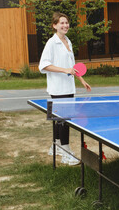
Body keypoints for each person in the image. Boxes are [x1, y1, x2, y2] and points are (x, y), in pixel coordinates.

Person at [39, 12, 91, 166]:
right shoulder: (51, 43)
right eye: (61, 23)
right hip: (57, 89)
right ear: (54, 25)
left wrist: (81, 79)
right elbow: (43, 65)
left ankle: (55, 146)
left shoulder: (68, 41)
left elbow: (73, 67)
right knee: (63, 121)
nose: (65, 25)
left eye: (66, 22)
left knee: (57, 119)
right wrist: (64, 70)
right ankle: (66, 153)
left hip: (68, 87)